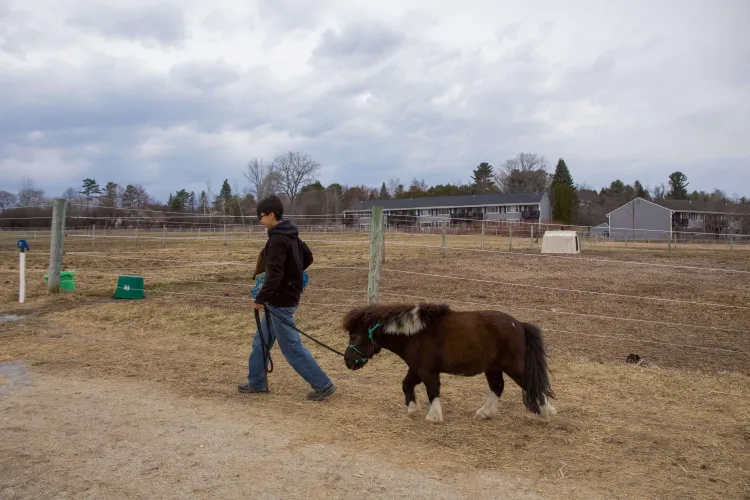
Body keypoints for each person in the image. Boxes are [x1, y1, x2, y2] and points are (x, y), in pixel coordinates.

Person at [238, 196, 336, 401]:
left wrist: (261, 297)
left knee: (291, 347)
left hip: (280, 301)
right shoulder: (291, 235)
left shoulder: (276, 239)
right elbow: (307, 257)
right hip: (281, 298)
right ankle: (256, 382)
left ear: (272, 215)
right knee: (261, 341)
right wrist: (293, 276)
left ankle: (323, 384)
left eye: (261, 217)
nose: (260, 221)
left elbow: (274, 273)